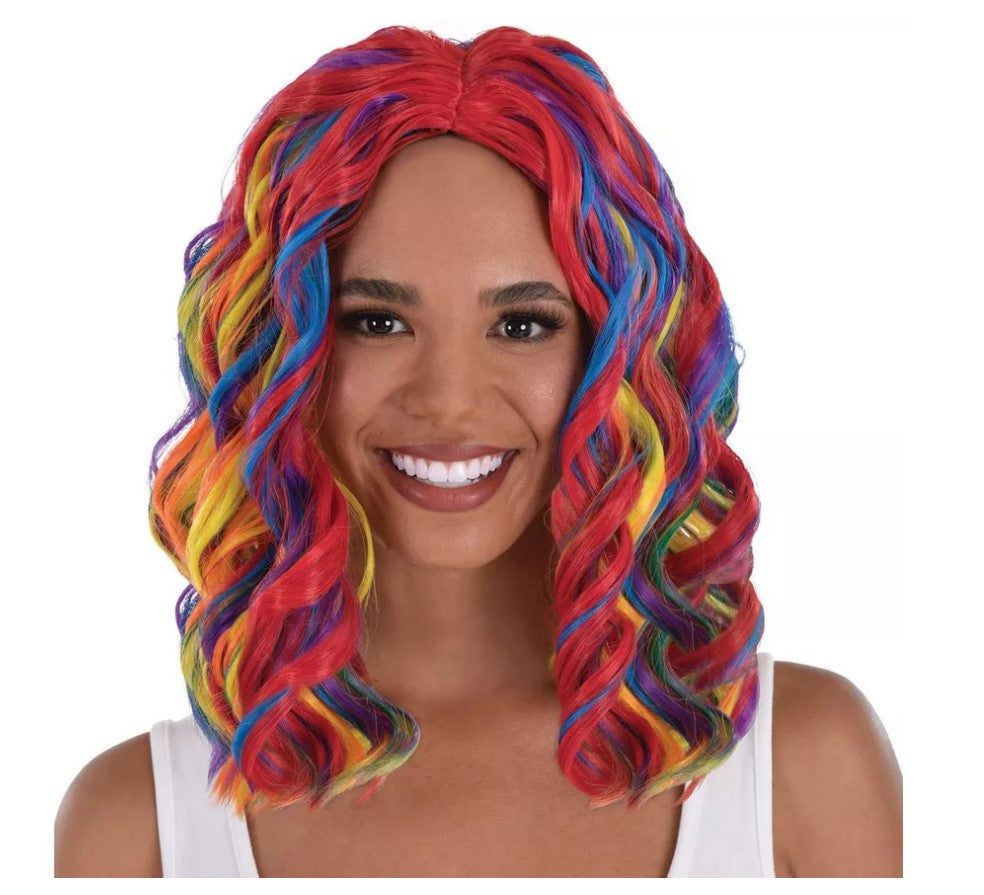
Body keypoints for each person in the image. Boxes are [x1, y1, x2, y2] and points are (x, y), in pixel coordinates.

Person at [54, 25, 902, 877]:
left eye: (523, 324)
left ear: (620, 355)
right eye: (377, 321)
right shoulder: (136, 828)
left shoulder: (802, 770)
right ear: (282, 355)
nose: (450, 399)